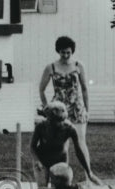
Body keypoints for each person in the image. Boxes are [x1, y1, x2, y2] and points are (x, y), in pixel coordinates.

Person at [38, 36, 94, 177]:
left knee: (81, 143)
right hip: (58, 110)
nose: (65, 55)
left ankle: (89, 177)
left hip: (76, 108)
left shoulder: (78, 66)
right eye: (63, 52)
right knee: (61, 146)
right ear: (58, 51)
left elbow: (85, 89)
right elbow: (41, 89)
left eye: (68, 52)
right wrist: (47, 108)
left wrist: (87, 110)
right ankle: (62, 179)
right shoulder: (51, 67)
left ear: (72, 51)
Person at [30, 101, 101, 187]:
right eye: (53, 121)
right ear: (48, 118)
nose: (57, 124)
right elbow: (32, 146)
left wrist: (89, 172)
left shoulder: (70, 128)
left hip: (60, 161)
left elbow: (79, 151)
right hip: (42, 160)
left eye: (60, 121)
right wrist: (36, 160)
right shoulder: (40, 126)